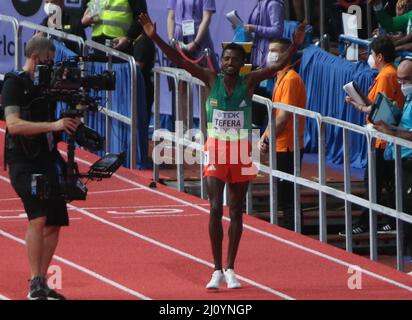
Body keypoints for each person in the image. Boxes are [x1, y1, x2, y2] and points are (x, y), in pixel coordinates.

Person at [138, 12, 306, 288]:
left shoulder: (249, 82)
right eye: (226, 58)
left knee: (237, 210)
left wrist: (295, 45)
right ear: (221, 60)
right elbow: (179, 60)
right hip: (215, 150)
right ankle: (216, 269)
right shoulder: (209, 77)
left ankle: (231, 268)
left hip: (242, 153)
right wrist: (154, 36)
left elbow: (277, 68)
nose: (229, 63)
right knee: (216, 207)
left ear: (242, 63)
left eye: (234, 59)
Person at [1, 36, 80, 300]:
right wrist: (54, 126)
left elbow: (60, 122)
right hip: (22, 161)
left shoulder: (47, 88)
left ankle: (42, 282)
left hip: (48, 158)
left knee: (55, 221)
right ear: (38, 57)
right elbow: (13, 125)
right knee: (38, 217)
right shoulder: (13, 83)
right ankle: (35, 283)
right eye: (49, 60)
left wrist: (74, 112)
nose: (52, 65)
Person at [344, 36, 405, 235]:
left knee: (375, 183)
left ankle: (367, 223)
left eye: (371, 54)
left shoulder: (388, 75)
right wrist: (359, 102)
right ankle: (386, 220)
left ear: (379, 56)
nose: (370, 58)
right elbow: (375, 104)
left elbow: (381, 110)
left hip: (384, 139)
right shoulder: (384, 75)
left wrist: (363, 106)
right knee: (383, 183)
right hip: (381, 138)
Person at [258, 38, 306, 231]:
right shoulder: (280, 77)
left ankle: (294, 230)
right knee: (282, 192)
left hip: (288, 145)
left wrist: (267, 137)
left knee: (288, 193)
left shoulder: (291, 79)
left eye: (275, 50)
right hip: (281, 143)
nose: (270, 54)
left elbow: (283, 117)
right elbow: (276, 115)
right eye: (269, 50)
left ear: (286, 54)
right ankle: (289, 228)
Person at [374, 58, 412, 261]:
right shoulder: (409, 98)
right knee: (404, 212)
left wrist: (390, 131)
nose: (402, 86)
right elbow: (404, 121)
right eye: (400, 81)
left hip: (411, 161)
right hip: (403, 160)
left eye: (406, 80)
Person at [246, 0, 285, 68]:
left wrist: (255, 28)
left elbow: (278, 30)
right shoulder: (259, 4)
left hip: (268, 54)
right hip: (257, 54)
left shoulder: (274, 4)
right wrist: (241, 27)